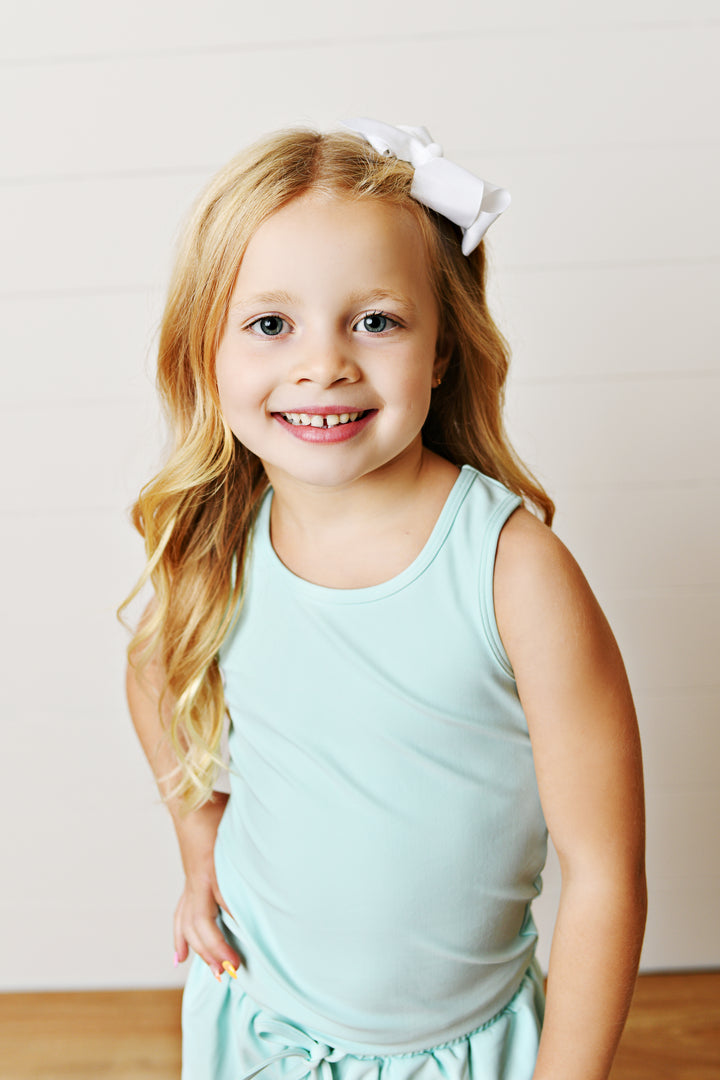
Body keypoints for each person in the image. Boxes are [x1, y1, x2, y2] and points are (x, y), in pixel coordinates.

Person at [122, 118, 647, 1080]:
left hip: (460, 1054)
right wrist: (200, 846)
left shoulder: (513, 571)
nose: (324, 364)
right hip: (260, 1028)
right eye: (271, 324)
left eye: (377, 319)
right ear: (208, 352)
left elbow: (606, 876)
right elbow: (153, 668)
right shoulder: (218, 546)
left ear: (443, 349)